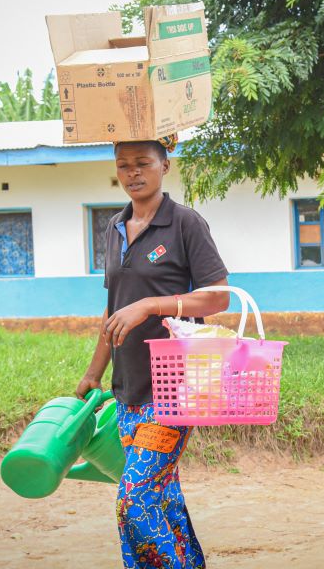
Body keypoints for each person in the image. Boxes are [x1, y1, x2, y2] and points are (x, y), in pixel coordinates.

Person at [77, 135, 230, 569]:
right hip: (128, 389)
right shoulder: (113, 228)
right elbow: (112, 309)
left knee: (135, 498)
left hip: (177, 389)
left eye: (143, 162)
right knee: (163, 497)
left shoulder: (185, 223)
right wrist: (93, 372)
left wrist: (151, 305)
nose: (133, 173)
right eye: (123, 165)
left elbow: (218, 298)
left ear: (165, 164)